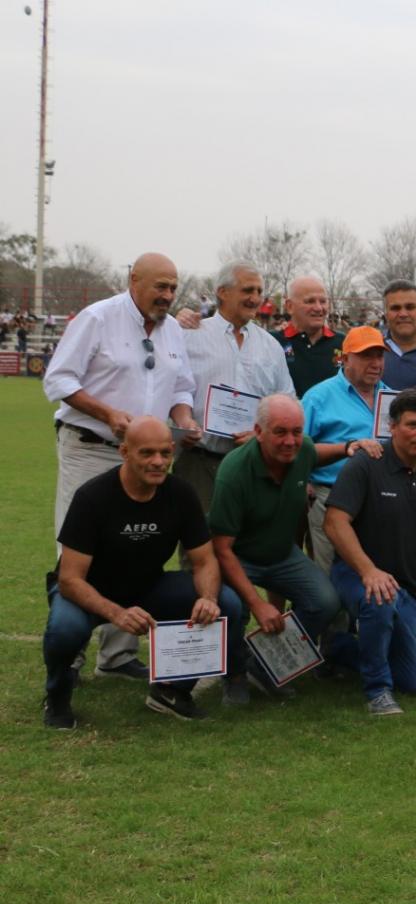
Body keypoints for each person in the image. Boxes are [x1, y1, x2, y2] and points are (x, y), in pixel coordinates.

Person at [42, 252, 203, 680]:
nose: (168, 295)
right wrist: (107, 414)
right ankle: (69, 649)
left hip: (146, 459)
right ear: (134, 280)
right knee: (79, 553)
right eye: (160, 286)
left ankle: (116, 656)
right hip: (91, 446)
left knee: (135, 553)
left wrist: (184, 418)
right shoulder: (97, 318)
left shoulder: (172, 332)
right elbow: (58, 380)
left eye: (173, 287)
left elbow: (182, 385)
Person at [41, 417, 245, 729]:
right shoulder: (92, 497)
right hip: (88, 590)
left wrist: (206, 597)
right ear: (124, 452)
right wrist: (117, 613)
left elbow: (204, 561)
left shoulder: (181, 494)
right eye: (146, 453)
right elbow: (69, 579)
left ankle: (171, 692)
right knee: (65, 629)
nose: (158, 462)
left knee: (226, 602)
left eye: (165, 453)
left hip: (146, 585)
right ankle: (56, 695)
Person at [208, 393, 373, 702]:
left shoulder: (302, 450)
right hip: (238, 556)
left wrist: (347, 447)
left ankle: (267, 667)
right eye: (280, 432)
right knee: (234, 607)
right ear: (258, 432)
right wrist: (258, 604)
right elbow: (222, 548)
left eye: (297, 432)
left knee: (325, 601)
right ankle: (235, 673)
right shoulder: (234, 472)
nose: (290, 441)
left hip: (281, 553)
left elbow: (315, 452)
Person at [323, 389, 416, 715]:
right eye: (412, 425)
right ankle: (377, 690)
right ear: (392, 427)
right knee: (380, 596)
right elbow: (334, 522)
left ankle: (338, 648)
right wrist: (368, 571)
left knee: (415, 680)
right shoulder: (366, 464)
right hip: (357, 576)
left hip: (415, 587)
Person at [177, 261, 296, 513]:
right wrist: (184, 422)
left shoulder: (271, 346)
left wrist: (262, 434)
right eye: (247, 290)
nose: (255, 298)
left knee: (251, 544)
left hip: (254, 462)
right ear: (222, 292)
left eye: (258, 291)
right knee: (200, 545)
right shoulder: (190, 335)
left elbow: (287, 401)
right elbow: (173, 388)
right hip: (200, 460)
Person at [301, 326, 390, 570]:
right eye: (366, 356)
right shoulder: (318, 397)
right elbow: (297, 448)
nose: (375, 363)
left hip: (381, 498)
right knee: (330, 576)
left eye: (379, 356)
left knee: (375, 573)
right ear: (345, 357)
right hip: (331, 496)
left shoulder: (392, 397)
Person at [280, 276, 345, 397]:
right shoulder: (274, 342)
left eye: (323, 301)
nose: (318, 308)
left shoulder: (343, 344)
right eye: (310, 301)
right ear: (289, 306)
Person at [380, 279, 416, 391]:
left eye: (410, 307)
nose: (403, 314)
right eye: (395, 308)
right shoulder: (374, 350)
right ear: (386, 314)